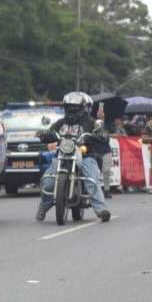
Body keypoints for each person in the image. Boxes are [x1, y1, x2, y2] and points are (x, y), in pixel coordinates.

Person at [34, 91, 113, 223]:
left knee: (91, 180)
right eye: (70, 106)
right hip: (62, 156)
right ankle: (43, 207)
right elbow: (50, 132)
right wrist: (44, 135)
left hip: (86, 155)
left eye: (76, 107)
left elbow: (101, 134)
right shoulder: (60, 123)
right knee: (47, 182)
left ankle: (101, 210)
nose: (72, 109)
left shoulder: (91, 122)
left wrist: (101, 135)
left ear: (84, 108)